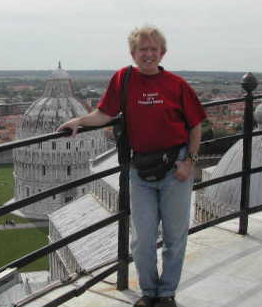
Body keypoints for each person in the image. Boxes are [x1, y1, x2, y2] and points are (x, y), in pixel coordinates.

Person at [57, 25, 206, 307]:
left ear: (162, 53)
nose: (148, 54)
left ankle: (166, 294)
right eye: (142, 50)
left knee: (175, 238)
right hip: (140, 170)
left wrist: (190, 163)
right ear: (133, 53)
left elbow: (196, 126)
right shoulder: (123, 79)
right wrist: (79, 121)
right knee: (142, 239)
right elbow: (104, 114)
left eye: (153, 49)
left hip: (176, 168)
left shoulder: (177, 85)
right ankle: (149, 293)